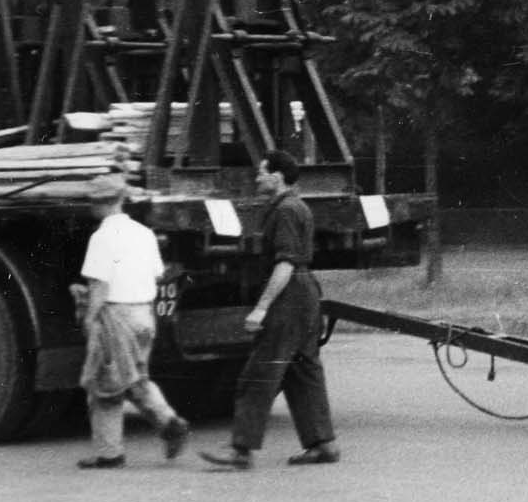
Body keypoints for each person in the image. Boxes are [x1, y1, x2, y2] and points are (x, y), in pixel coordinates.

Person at [201, 151, 339, 469]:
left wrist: (261, 308)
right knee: (303, 371)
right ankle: (323, 444)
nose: (256, 177)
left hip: (289, 296)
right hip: (306, 295)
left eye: (262, 173)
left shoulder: (286, 211)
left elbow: (286, 262)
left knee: (260, 372)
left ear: (277, 178)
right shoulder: (296, 206)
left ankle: (241, 450)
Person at [73, 174, 190, 469]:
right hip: (144, 315)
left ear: (103, 203)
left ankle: (110, 453)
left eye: (94, 202)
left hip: (116, 316)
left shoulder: (101, 238)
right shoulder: (144, 233)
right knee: (136, 378)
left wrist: (89, 317)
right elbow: (157, 274)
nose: (92, 207)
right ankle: (169, 423)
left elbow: (99, 284)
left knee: (104, 385)